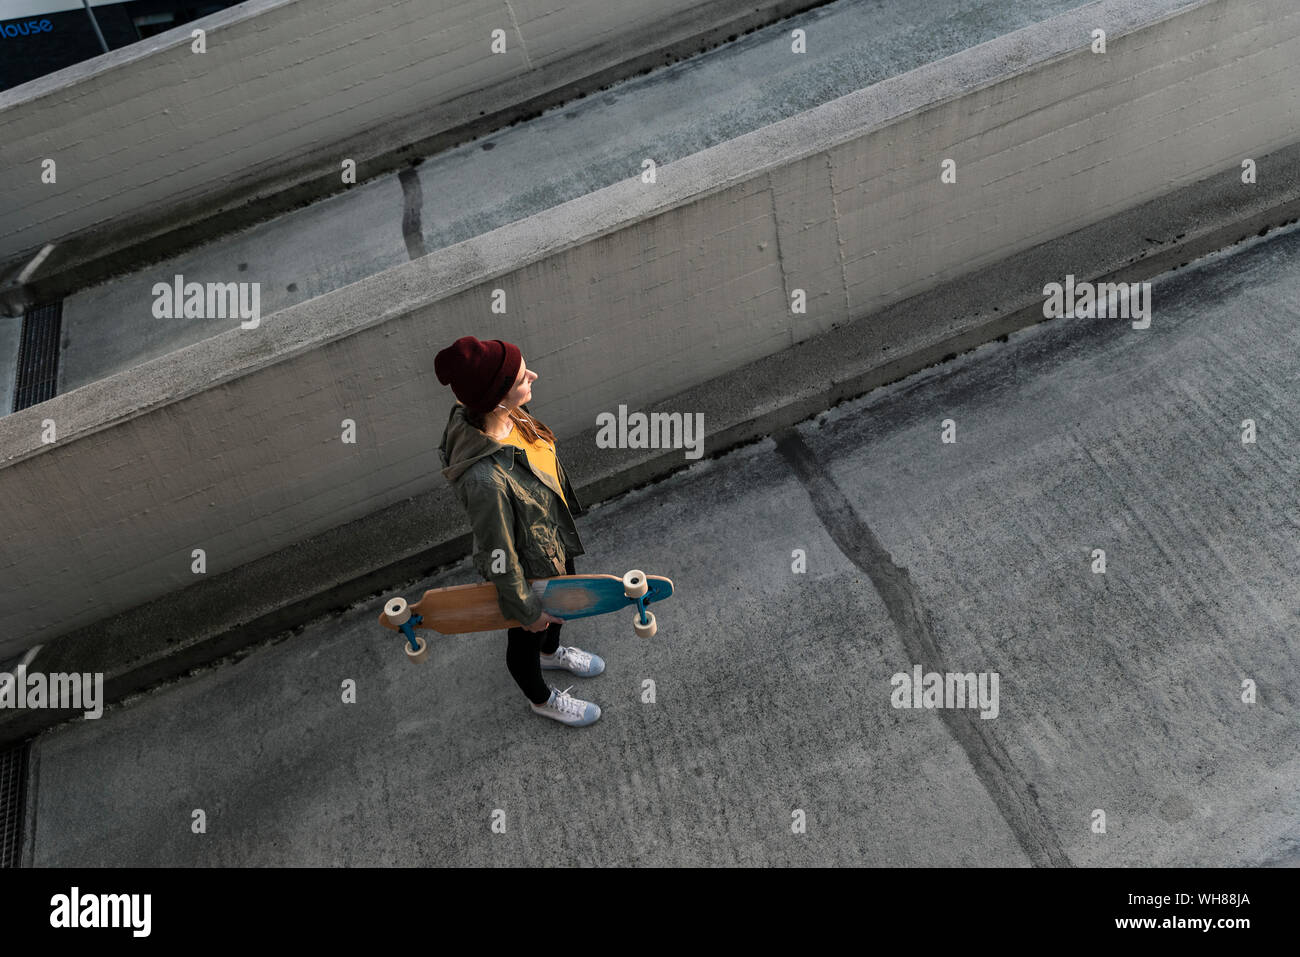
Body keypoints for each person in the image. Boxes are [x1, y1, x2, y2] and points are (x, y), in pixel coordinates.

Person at [433, 335, 604, 727]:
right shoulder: (486, 481)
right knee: (525, 637)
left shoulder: (506, 413)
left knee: (560, 614)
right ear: (496, 396)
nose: (534, 375)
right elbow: (498, 553)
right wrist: (524, 609)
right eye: (521, 377)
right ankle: (540, 698)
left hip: (552, 539)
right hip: (528, 569)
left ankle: (551, 653)